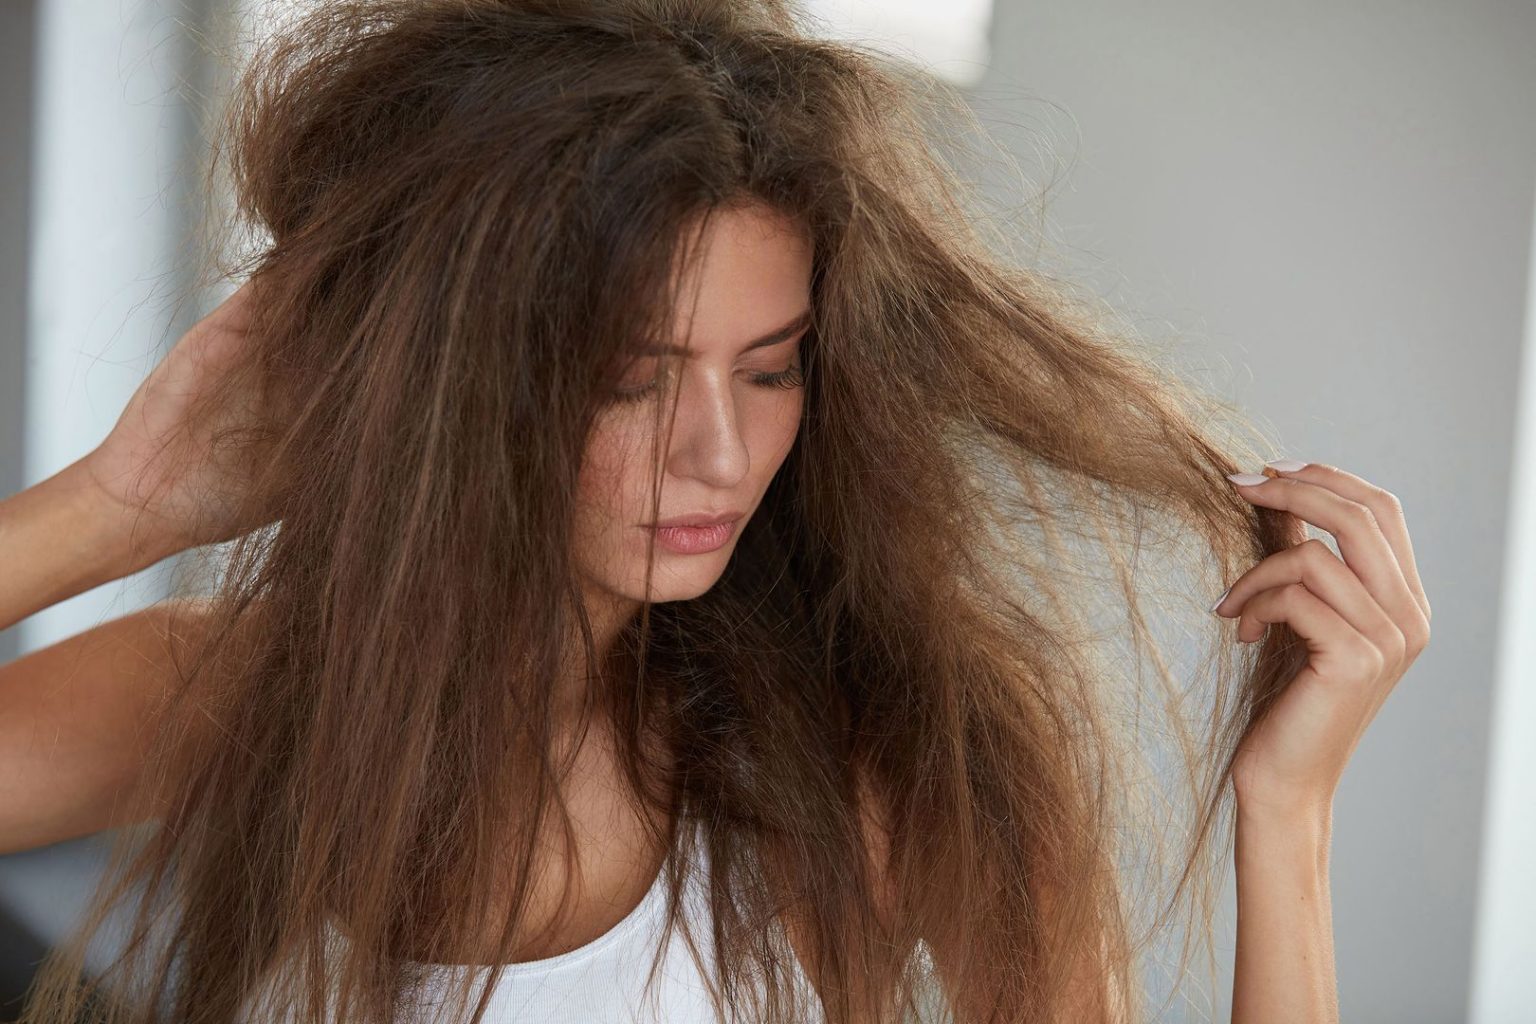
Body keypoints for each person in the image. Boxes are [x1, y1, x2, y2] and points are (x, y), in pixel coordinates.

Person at [0, 0, 1431, 1021]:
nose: (720, 455)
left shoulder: (879, 771)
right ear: (453, 386)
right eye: (630, 380)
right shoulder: (239, 696)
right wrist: (119, 505)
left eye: (772, 368)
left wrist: (1286, 816)